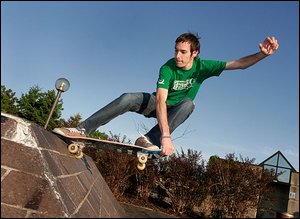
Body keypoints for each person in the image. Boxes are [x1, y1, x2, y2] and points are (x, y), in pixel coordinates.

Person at [53, 32, 279, 156]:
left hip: (176, 110)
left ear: (195, 53)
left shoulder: (203, 66)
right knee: (127, 98)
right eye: (176, 51)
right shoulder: (167, 67)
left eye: (183, 53)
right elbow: (160, 100)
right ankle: (82, 128)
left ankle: (147, 140)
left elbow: (238, 64)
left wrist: (262, 56)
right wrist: (167, 136)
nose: (178, 57)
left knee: (189, 103)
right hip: (157, 105)